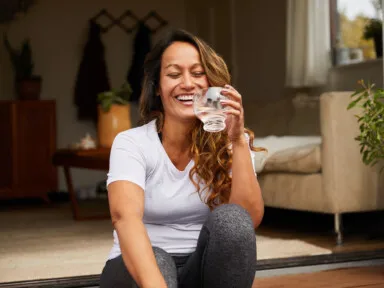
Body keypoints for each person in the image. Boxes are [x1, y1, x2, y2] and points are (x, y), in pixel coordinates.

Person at [100, 28, 265, 288]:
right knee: (159, 261)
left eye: (198, 73)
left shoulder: (232, 140)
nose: (188, 83)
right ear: (157, 87)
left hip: (199, 270)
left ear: (211, 83)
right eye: (174, 74)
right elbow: (125, 218)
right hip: (139, 271)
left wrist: (237, 142)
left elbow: (248, 219)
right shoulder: (132, 143)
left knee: (233, 219)